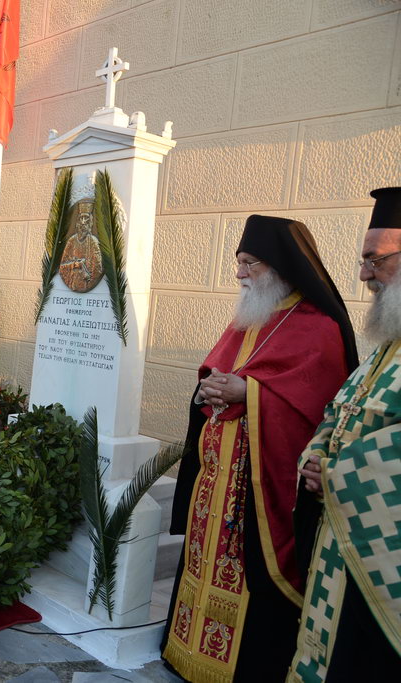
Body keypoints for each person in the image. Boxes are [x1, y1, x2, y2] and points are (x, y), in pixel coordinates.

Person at [161, 215, 358, 682]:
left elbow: (312, 408)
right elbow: (218, 372)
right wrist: (209, 390)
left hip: (258, 487)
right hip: (216, 482)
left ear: (280, 266)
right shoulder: (249, 317)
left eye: (250, 263)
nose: (239, 273)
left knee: (251, 573)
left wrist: (246, 393)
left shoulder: (318, 326)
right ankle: (188, 653)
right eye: (239, 262)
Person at [290, 187, 401, 681]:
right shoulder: (387, 344)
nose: (363, 275)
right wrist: (316, 457)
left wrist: (336, 473)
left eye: (376, 261)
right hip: (343, 543)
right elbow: (341, 412)